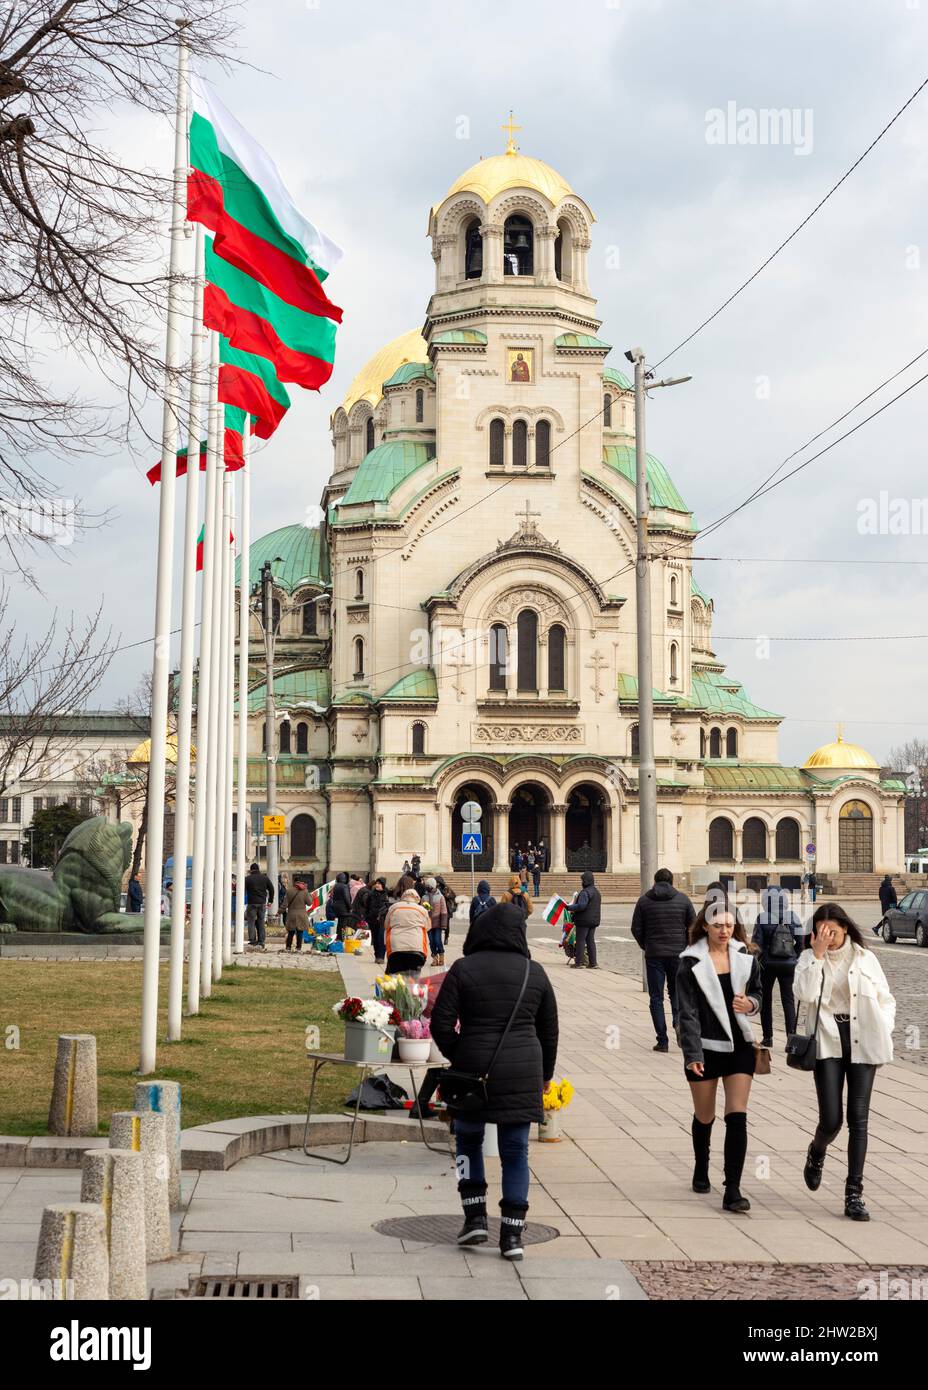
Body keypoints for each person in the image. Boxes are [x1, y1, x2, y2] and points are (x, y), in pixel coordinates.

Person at [431, 900, 559, 1260]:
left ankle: (474, 1219)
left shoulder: (462, 968)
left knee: (468, 1144)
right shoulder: (535, 972)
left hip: (473, 1069)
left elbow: (440, 1023)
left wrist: (462, 1053)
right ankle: (513, 1237)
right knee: (515, 1152)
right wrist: (545, 1075)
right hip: (522, 1071)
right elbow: (549, 1031)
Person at [795, 903, 895, 1221]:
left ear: (846, 929)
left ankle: (854, 1193)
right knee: (831, 1120)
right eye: (822, 932)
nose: (829, 938)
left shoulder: (866, 958)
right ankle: (817, 1151)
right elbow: (805, 994)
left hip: (864, 1039)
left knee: (859, 1119)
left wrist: (884, 1024)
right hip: (827, 1039)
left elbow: (886, 998)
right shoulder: (810, 958)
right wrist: (818, 954)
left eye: (833, 932)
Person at [676, 898, 761, 1213]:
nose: (724, 931)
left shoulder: (746, 956)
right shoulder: (690, 962)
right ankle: (701, 1165)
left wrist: (750, 1004)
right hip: (706, 1047)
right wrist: (692, 1052)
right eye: (718, 926)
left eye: (729, 925)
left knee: (737, 1115)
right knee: (705, 1115)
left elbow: (759, 993)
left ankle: (733, 1189)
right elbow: (686, 1012)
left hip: (739, 1045)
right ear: (705, 927)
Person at [631, 868, 695, 1049]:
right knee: (676, 992)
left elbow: (636, 928)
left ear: (655, 880)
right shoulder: (683, 899)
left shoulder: (644, 900)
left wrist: (647, 945)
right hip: (678, 955)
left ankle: (662, 1040)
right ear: (672, 881)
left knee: (656, 997)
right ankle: (678, 1023)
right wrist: (686, 945)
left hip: (654, 955)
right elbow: (694, 926)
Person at [751, 885, 803, 1047]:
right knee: (788, 1001)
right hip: (788, 964)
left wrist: (758, 961)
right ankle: (791, 1039)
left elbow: (756, 945)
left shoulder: (762, 917)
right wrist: (793, 956)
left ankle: (768, 1037)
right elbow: (801, 943)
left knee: (765, 1000)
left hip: (767, 964)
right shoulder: (793, 917)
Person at [384, 886, 429, 977]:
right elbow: (428, 927)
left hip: (396, 948)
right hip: (416, 947)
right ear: (417, 899)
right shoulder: (422, 910)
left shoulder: (394, 907)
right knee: (413, 978)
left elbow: (386, 925)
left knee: (395, 977)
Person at [568, 871, 601, 970]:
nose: (581, 882)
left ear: (585, 881)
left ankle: (578, 962)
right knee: (590, 941)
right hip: (594, 920)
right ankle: (593, 963)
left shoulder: (585, 892)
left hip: (583, 920)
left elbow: (581, 906)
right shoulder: (596, 892)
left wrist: (569, 907)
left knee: (580, 940)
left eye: (582, 880)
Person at [244, 862, 275, 950]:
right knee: (261, 922)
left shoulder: (248, 879)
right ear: (258, 870)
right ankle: (261, 942)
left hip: (252, 903)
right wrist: (270, 901)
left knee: (251, 921)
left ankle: (252, 941)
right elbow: (271, 889)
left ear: (251, 870)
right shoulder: (264, 878)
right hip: (262, 903)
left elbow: (242, 890)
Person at [423, 876, 449, 967]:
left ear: (433, 886)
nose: (427, 887)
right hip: (428, 923)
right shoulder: (424, 897)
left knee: (437, 940)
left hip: (437, 923)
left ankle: (441, 955)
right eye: (426, 885)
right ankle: (434, 958)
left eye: (429, 885)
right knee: (431, 942)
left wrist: (444, 924)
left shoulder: (440, 896)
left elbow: (444, 911)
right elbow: (423, 911)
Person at [366, 877, 391, 964]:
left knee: (381, 938)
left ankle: (381, 957)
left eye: (379, 883)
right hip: (372, 919)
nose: (377, 885)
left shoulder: (387, 894)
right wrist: (367, 917)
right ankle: (377, 955)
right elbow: (366, 906)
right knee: (375, 939)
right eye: (376, 883)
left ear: (383, 885)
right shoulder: (371, 894)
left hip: (383, 920)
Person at [284, 878, 311, 952]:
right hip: (301, 914)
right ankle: (298, 948)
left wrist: (279, 912)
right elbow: (309, 903)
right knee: (300, 931)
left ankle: (288, 947)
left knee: (291, 931)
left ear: (294, 882)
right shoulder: (305, 891)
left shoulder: (289, 891)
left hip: (291, 914)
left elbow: (285, 904)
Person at [327, 872, 352, 941]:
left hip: (336, 907)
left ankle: (338, 937)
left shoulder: (336, 886)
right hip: (343, 908)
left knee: (340, 923)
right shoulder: (344, 886)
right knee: (343, 924)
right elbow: (346, 897)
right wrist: (350, 907)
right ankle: (341, 939)